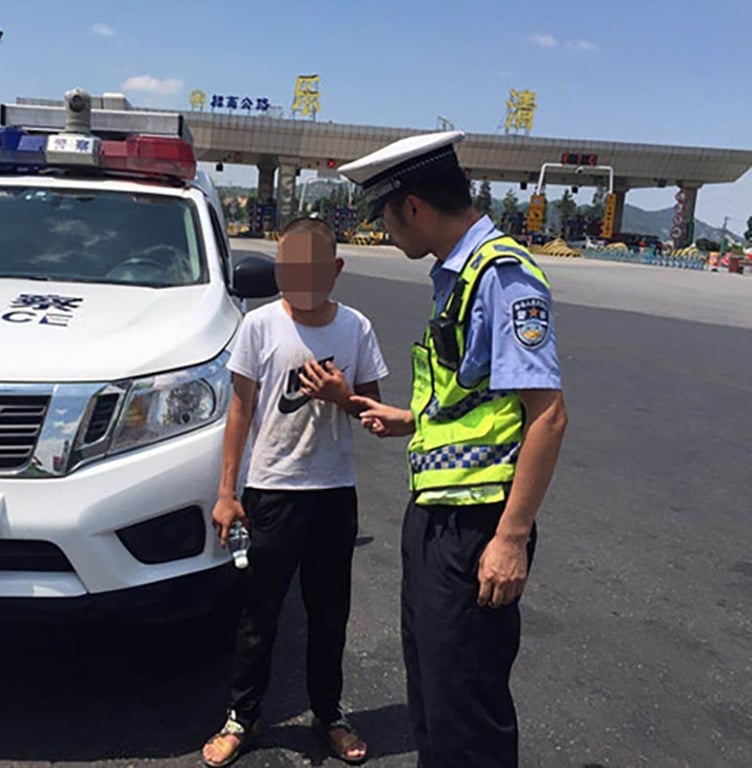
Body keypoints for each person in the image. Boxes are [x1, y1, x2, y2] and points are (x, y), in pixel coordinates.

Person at [337, 132, 569, 768]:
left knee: (467, 708)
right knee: (433, 696)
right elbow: (472, 394)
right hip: (437, 514)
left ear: (412, 206)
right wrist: (411, 418)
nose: (385, 233)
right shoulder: (457, 276)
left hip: (479, 525)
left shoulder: (503, 276)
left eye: (383, 217)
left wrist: (511, 538)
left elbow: (547, 417)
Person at [201, 216, 389, 767]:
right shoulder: (258, 326)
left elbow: (374, 412)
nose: (300, 278)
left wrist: (342, 396)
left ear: (335, 269)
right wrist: (226, 491)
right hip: (272, 490)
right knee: (260, 614)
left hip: (333, 492)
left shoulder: (356, 328)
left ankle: (328, 713)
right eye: (290, 267)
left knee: (330, 614)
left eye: (311, 268)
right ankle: (243, 714)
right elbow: (239, 409)